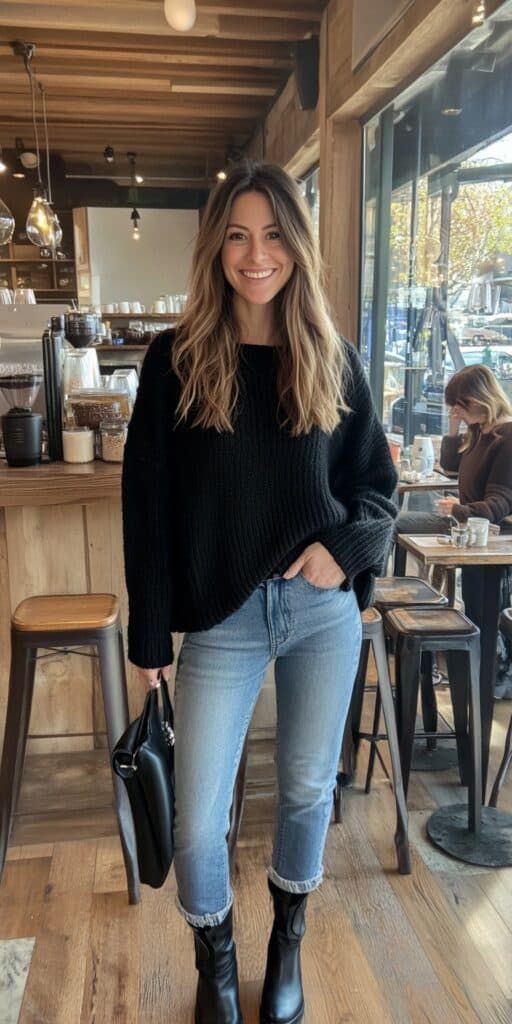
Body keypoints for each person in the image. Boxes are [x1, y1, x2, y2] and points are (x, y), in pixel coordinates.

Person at [122, 160, 397, 1024]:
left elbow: (378, 491)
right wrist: (150, 639)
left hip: (320, 615)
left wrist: (339, 551)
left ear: (297, 246)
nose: (256, 253)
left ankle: (285, 949)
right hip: (220, 621)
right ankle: (216, 958)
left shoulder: (332, 356)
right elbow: (148, 504)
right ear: (216, 246)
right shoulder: (175, 361)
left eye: (274, 233)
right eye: (238, 234)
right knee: (200, 824)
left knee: (309, 792)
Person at [394, 364, 512, 696]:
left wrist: (458, 509)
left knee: (479, 602)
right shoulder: (481, 433)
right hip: (464, 523)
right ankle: (409, 610)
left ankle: (485, 673)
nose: (455, 410)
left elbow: (500, 504)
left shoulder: (506, 438)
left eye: (460, 405)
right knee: (396, 524)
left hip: (484, 532)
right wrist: (453, 426)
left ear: (480, 399)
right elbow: (448, 467)